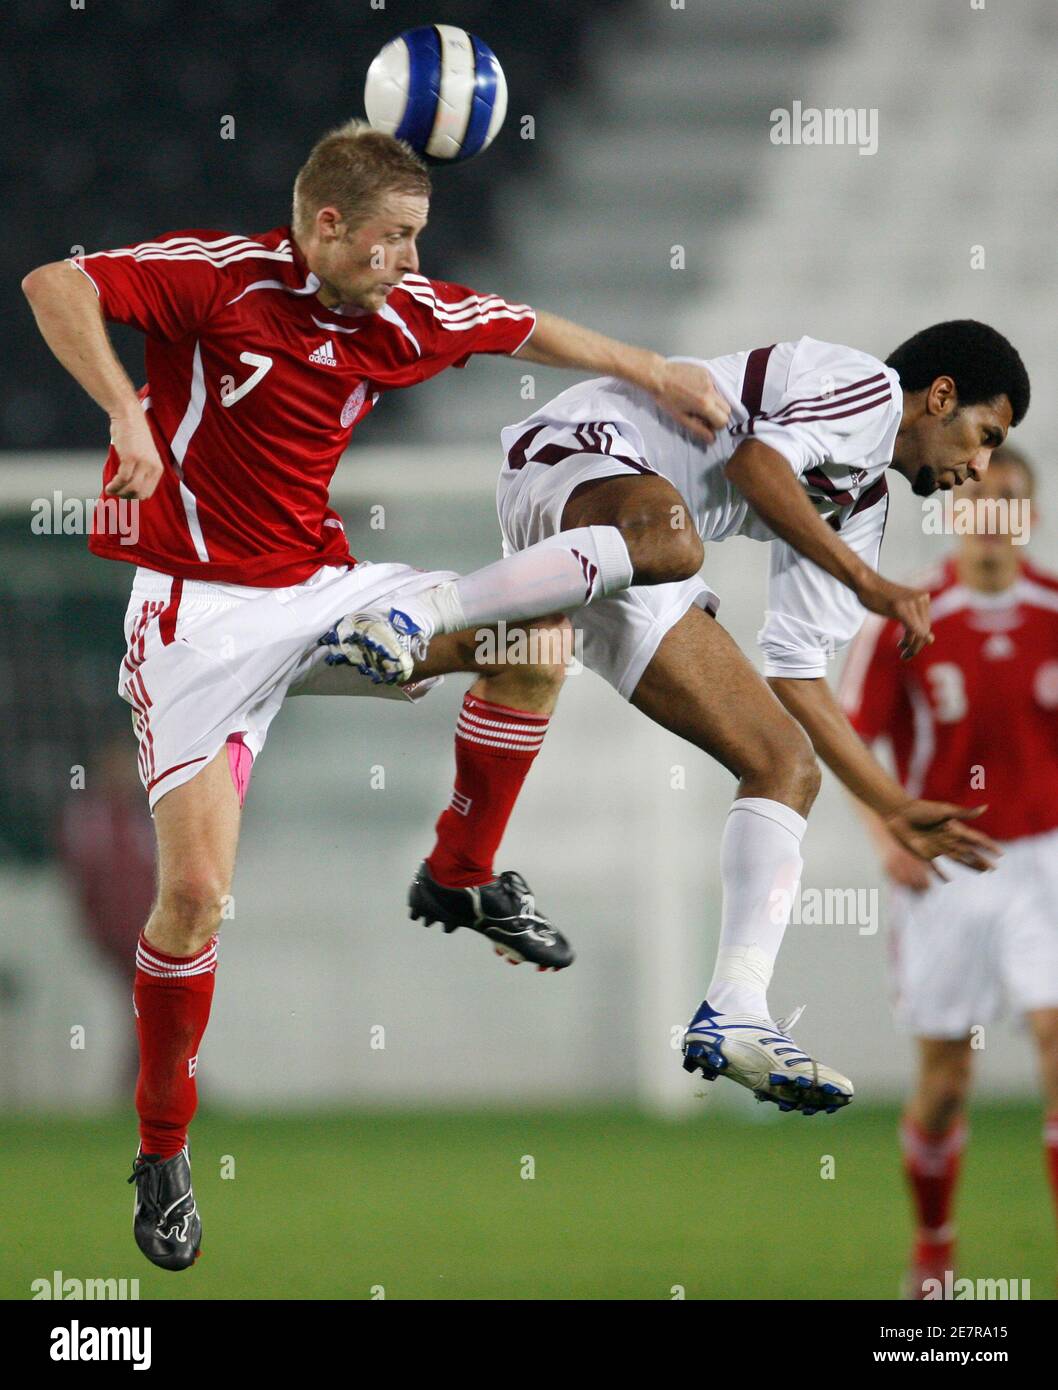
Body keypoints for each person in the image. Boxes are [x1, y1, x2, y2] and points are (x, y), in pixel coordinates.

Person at [20, 119, 730, 1272]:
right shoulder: (220, 279)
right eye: (394, 238)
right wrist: (125, 408)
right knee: (194, 898)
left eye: (421, 239)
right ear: (327, 225)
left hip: (324, 590)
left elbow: (520, 324)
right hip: (195, 614)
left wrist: (655, 373)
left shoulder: (402, 313)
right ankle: (161, 1149)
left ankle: (460, 869)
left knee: (533, 635)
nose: (410, 260)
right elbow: (56, 283)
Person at [329, 323, 1029, 1120]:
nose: (978, 466)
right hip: (588, 456)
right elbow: (753, 464)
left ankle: (737, 1007)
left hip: (643, 545)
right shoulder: (865, 390)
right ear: (940, 396)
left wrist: (893, 806)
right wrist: (871, 583)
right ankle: (417, 610)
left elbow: (799, 675)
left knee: (782, 765)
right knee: (670, 538)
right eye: (985, 435)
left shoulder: (859, 502)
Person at [838, 447, 1058, 1298]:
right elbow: (852, 736)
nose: (994, 513)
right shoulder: (907, 619)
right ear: (956, 512)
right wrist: (885, 828)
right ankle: (934, 1251)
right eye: (980, 497)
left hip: (1047, 860)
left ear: (1030, 516)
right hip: (951, 864)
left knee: (1054, 1041)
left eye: (1012, 500)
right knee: (945, 1079)